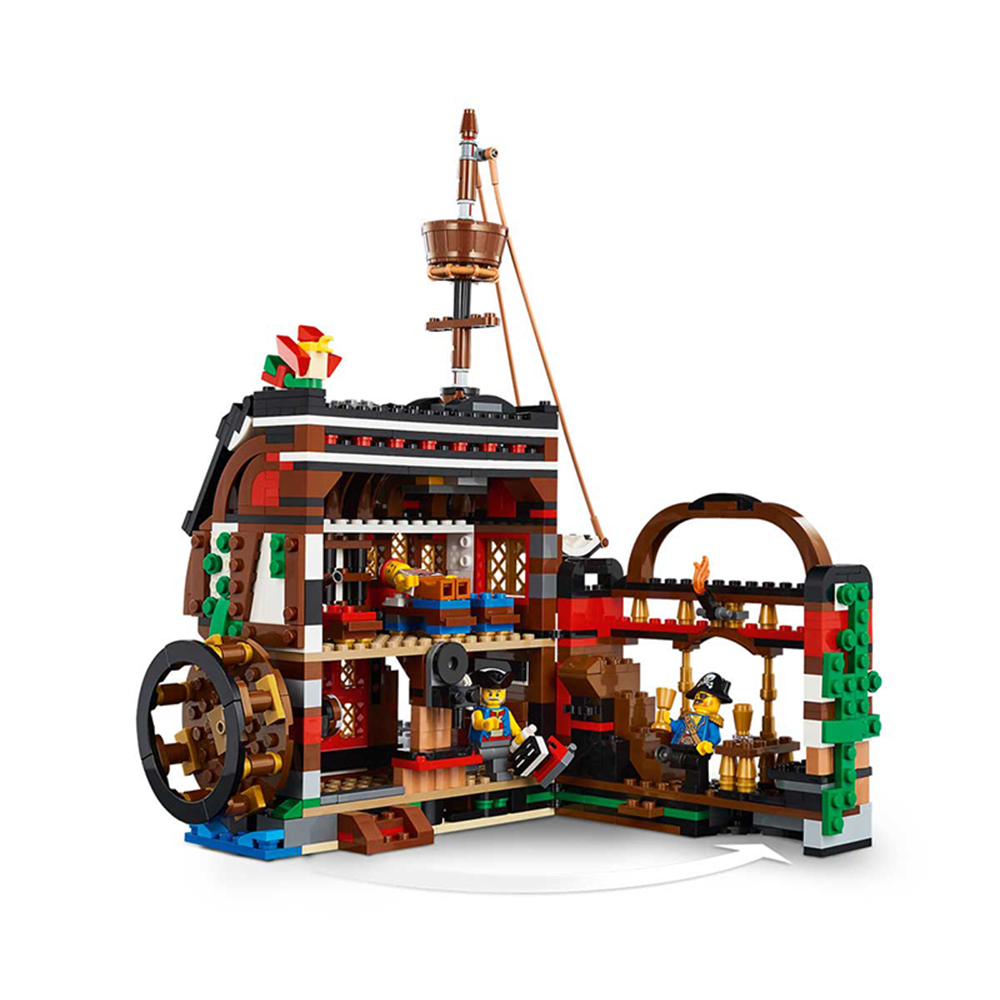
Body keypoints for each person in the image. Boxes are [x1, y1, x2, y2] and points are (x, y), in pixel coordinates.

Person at [655, 672, 733, 792]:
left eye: (703, 696)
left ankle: (698, 787)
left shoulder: (711, 721)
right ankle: (688, 786)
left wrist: (709, 743)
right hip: (681, 747)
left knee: (697, 770)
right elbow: (677, 726)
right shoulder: (687, 717)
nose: (698, 698)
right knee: (683, 766)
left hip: (698, 750)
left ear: (717, 701)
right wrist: (668, 721)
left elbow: (715, 736)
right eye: (697, 696)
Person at [468, 663, 525, 781]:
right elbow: (476, 723)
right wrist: (485, 724)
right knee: (472, 761)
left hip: (502, 745)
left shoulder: (505, 712)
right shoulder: (479, 712)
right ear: (481, 692)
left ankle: (499, 773)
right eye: (490, 693)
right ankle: (471, 771)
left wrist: (519, 734)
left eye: (498, 693)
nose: (494, 696)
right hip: (481, 746)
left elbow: (514, 727)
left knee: (500, 762)